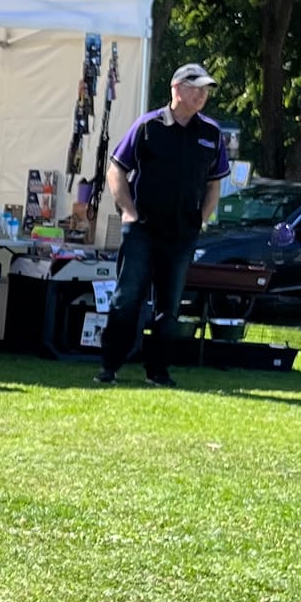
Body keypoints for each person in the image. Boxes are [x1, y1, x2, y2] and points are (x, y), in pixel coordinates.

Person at [97, 62, 231, 388]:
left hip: (183, 232)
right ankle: (110, 366)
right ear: (176, 89)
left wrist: (202, 218)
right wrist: (127, 210)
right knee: (127, 300)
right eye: (195, 87)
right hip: (142, 228)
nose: (201, 94)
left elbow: (215, 184)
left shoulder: (211, 134)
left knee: (168, 306)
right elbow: (116, 170)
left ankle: (157, 371)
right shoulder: (147, 126)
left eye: (205, 89)